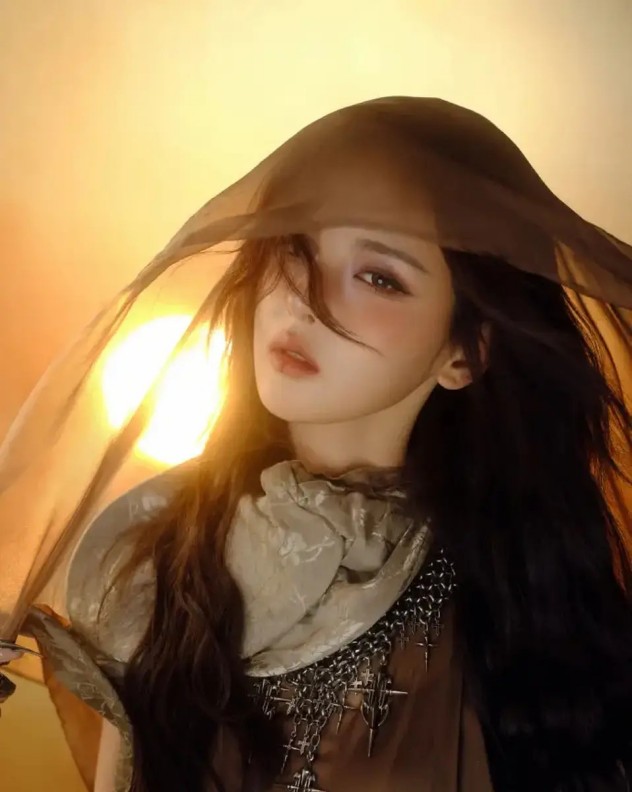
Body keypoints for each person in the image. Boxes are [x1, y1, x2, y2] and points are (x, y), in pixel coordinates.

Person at [0, 97, 630, 792]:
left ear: (466, 353)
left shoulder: (515, 597)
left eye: (379, 276)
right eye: (294, 247)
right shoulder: (158, 555)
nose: (303, 295)